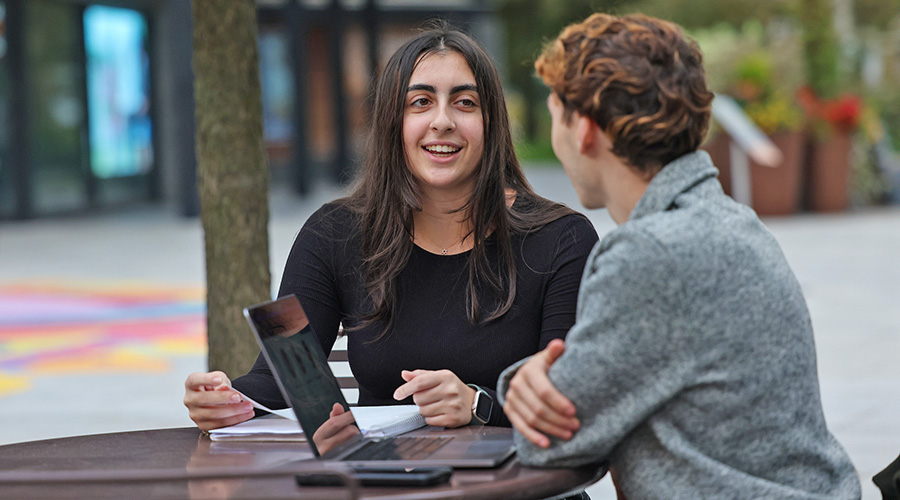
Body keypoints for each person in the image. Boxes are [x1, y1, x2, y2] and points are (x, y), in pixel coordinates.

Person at [498, 13, 861, 499]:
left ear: (584, 128)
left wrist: (519, 381)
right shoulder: (732, 222)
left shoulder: (650, 255)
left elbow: (547, 441)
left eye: (553, 115)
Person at [184, 22, 598, 433]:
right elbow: (279, 384)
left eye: (465, 103)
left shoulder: (562, 240)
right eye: (419, 102)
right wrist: (226, 399)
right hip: (388, 486)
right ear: (391, 122)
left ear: (492, 122)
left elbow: (571, 402)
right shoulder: (333, 233)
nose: (442, 121)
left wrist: (478, 403)